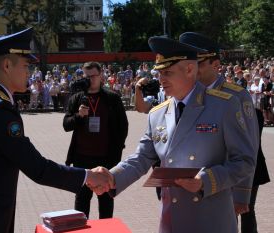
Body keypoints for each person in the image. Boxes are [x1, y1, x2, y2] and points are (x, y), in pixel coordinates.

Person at [0, 28, 113, 233]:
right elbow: (37, 167)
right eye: (26, 66)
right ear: (7, 65)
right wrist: (88, 176)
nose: (29, 72)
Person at [95, 36, 257, 233]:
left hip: (210, 218)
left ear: (189, 70)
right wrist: (112, 177)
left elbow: (245, 161)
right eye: (160, 73)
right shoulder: (157, 113)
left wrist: (205, 181)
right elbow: (141, 157)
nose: (161, 79)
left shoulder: (224, 105)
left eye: (168, 73)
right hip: (171, 218)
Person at [179, 32, 260, 216]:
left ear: (215, 65)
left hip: (224, 184)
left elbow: (249, 148)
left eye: (198, 63)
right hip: (189, 186)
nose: (191, 69)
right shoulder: (184, 95)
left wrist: (242, 194)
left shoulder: (238, 96)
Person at [63, 61, 128, 219]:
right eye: (87, 76)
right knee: (82, 200)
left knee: (106, 199)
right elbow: (66, 125)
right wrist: (79, 116)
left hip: (105, 159)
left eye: (94, 76)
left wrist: (116, 155)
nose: (90, 79)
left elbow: (123, 127)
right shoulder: (77, 98)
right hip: (81, 158)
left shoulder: (112, 98)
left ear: (101, 76)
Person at [240, 108, 270, 233]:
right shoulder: (255, 112)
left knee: (246, 209)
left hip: (250, 167)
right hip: (252, 167)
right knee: (246, 210)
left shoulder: (254, 113)